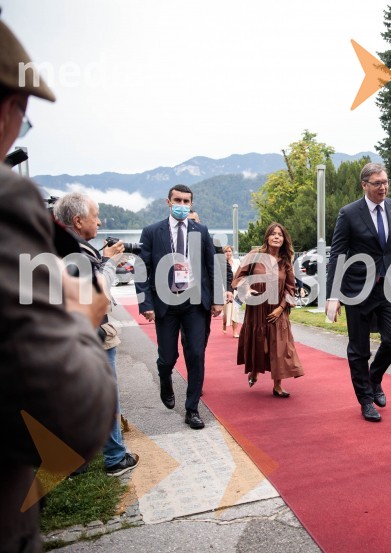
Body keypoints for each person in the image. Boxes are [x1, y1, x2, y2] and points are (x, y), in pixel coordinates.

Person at [0, 18, 117, 552]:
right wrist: (79, 321)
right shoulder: (10, 201)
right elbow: (67, 418)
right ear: (9, 107)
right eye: (24, 123)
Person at [53, 193, 140, 476]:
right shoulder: (79, 252)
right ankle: (115, 457)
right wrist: (111, 262)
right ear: (78, 221)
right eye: (96, 216)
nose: (100, 222)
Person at [325, 163, 391, 422]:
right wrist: (333, 295)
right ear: (364, 185)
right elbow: (337, 255)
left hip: (390, 287)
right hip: (357, 289)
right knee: (359, 349)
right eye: (377, 183)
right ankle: (366, 400)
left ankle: (374, 377)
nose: (383, 187)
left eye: (385, 182)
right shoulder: (349, 213)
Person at [135, 184, 222, 430]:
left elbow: (212, 266)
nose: (182, 205)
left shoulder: (201, 231)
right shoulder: (152, 232)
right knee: (168, 357)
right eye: (178, 200)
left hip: (195, 303)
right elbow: (142, 269)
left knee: (196, 353)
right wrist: (145, 303)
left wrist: (217, 299)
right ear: (168, 202)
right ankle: (165, 377)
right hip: (166, 302)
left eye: (186, 201)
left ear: (191, 204)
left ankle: (192, 409)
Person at [233, 222, 303, 395]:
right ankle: (254, 370)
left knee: (279, 347)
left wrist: (281, 308)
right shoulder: (254, 255)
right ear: (267, 237)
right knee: (261, 346)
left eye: (280, 234)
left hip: (277, 310)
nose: (276, 237)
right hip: (257, 308)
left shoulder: (285, 261)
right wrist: (246, 289)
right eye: (273, 234)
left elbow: (290, 288)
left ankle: (277, 385)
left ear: (284, 239)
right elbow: (239, 277)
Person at [222, 245, 241, 337]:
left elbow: (241, 274)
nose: (228, 253)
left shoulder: (237, 262)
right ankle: (224, 323)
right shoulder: (221, 263)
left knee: (235, 310)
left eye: (229, 251)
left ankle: (235, 331)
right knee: (226, 311)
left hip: (236, 289)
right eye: (226, 251)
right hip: (225, 289)